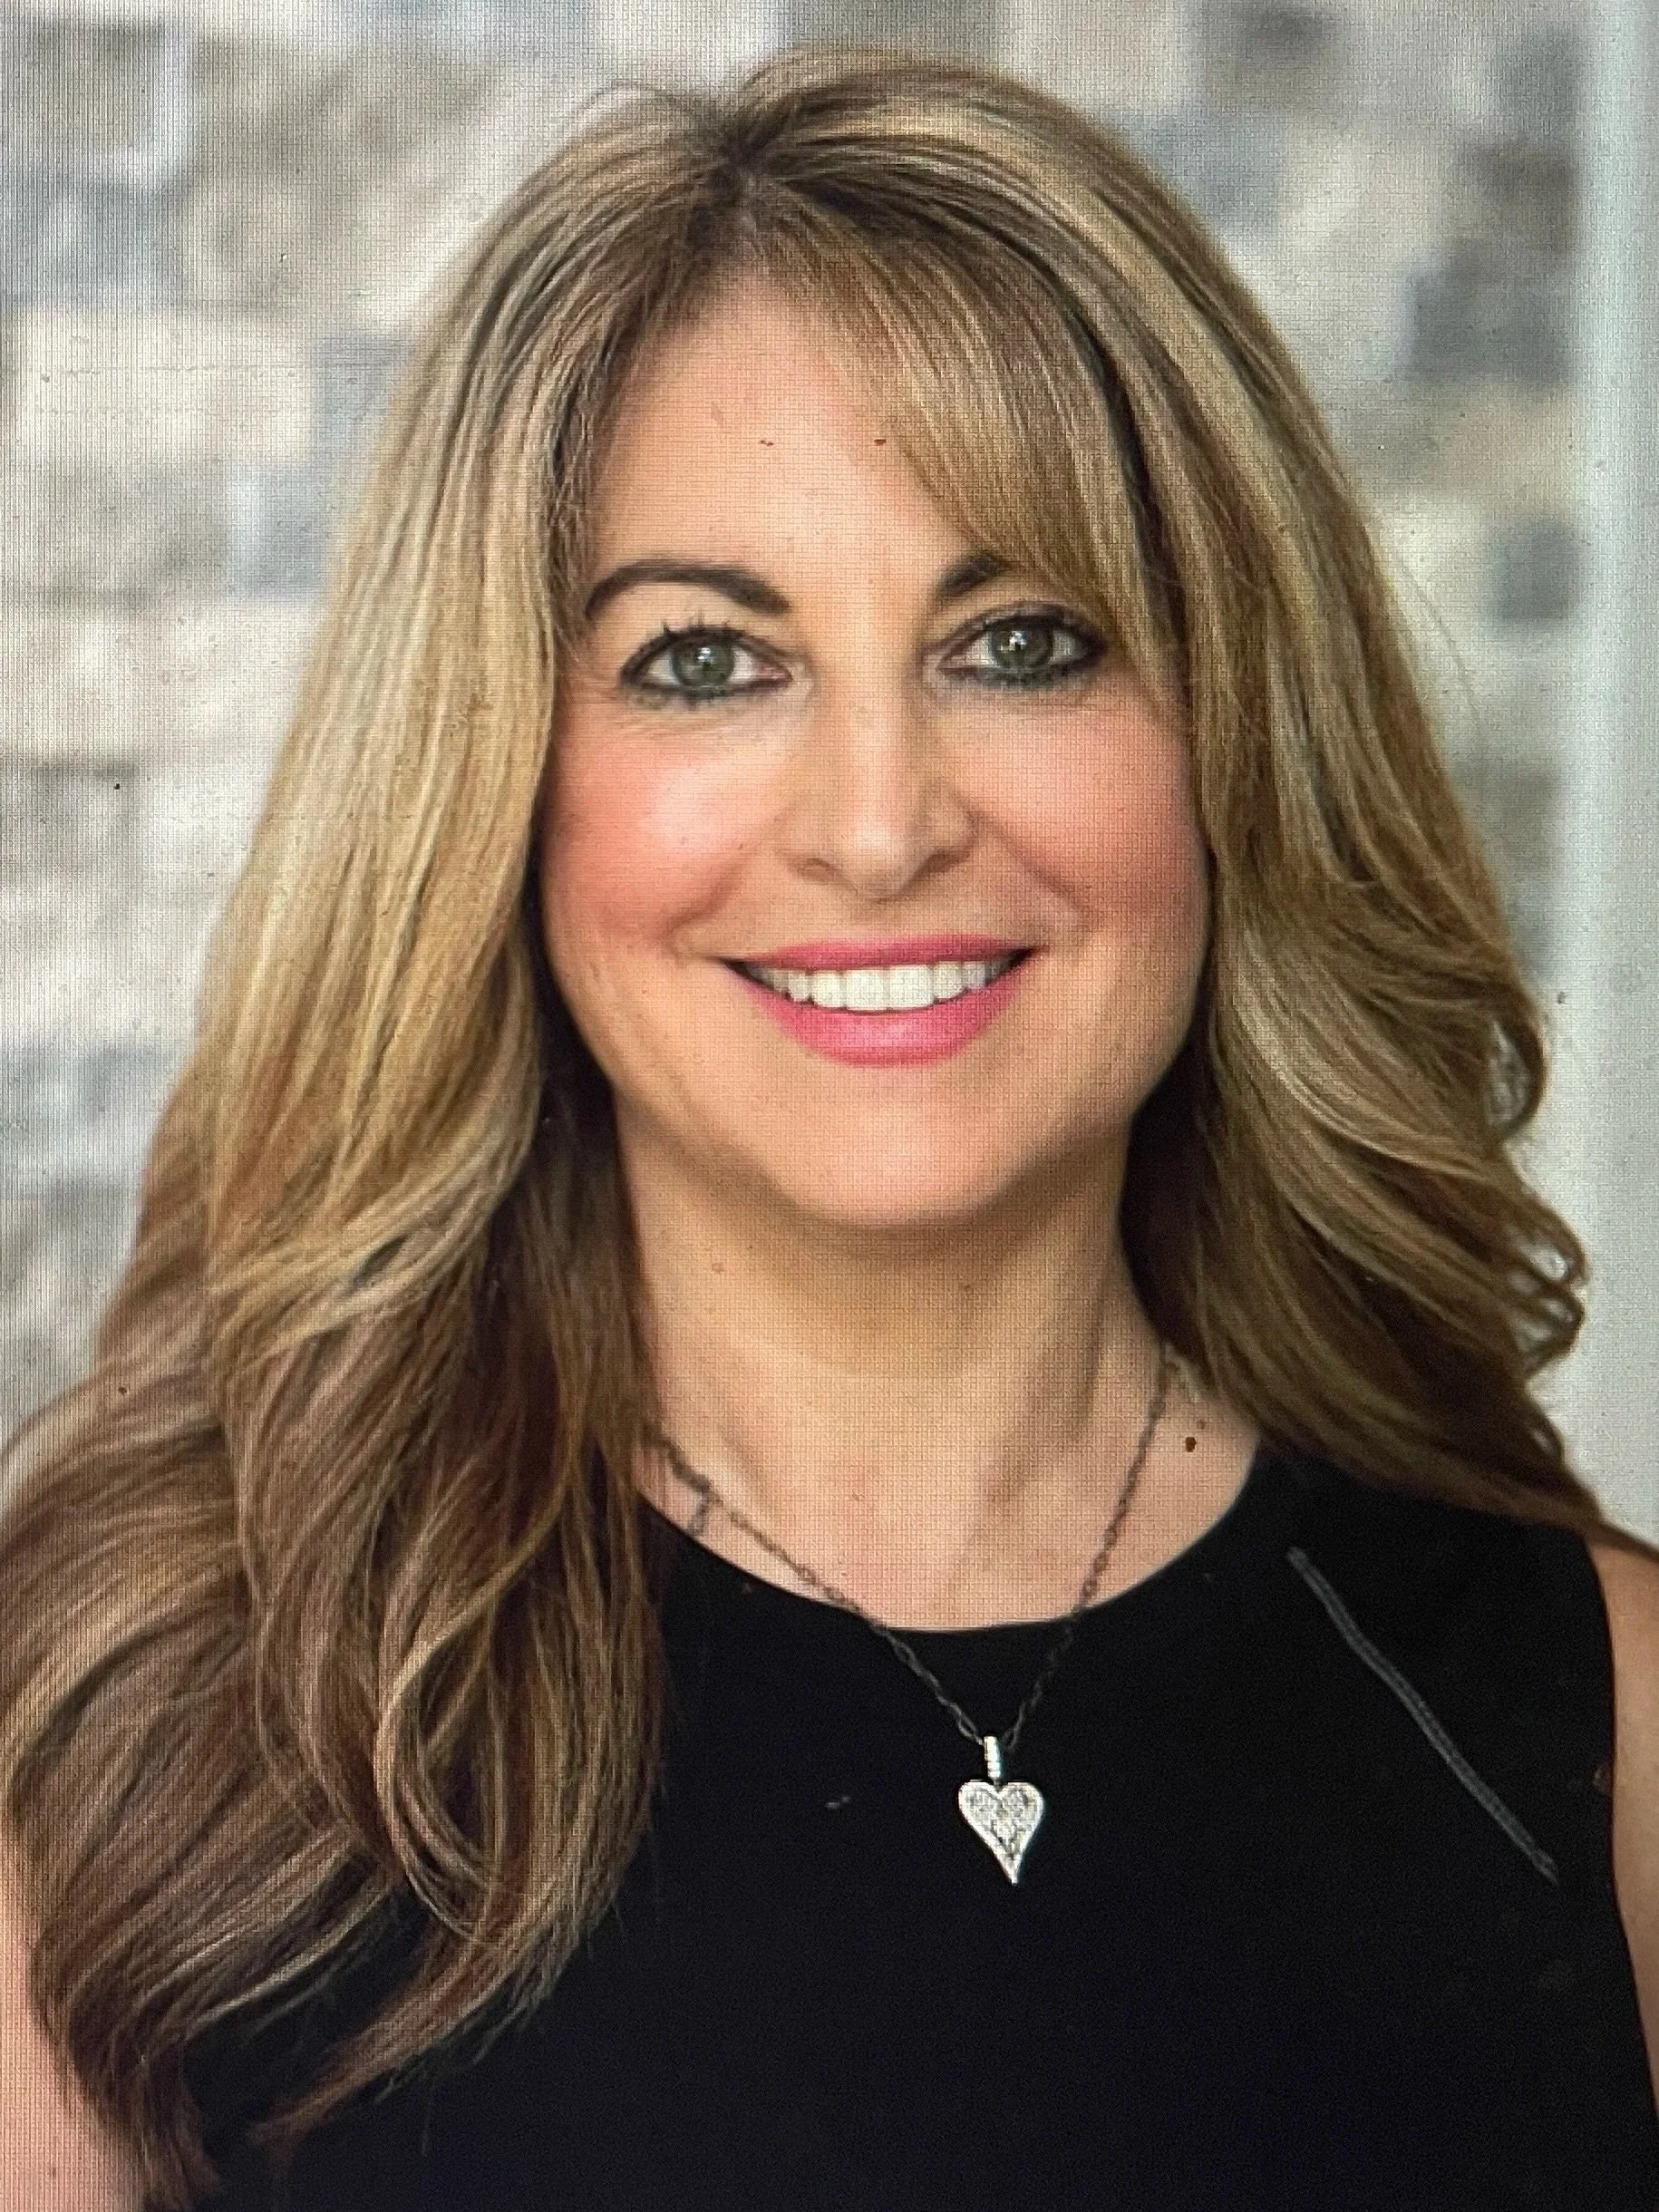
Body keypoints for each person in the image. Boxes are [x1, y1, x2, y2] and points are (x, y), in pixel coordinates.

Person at [2, 42, 1656, 2212]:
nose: (880, 827)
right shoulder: (158, 1725)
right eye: (706, 660)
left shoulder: (1592, 1709)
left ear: (1236, 739)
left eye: (1025, 638)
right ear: (501, 780)